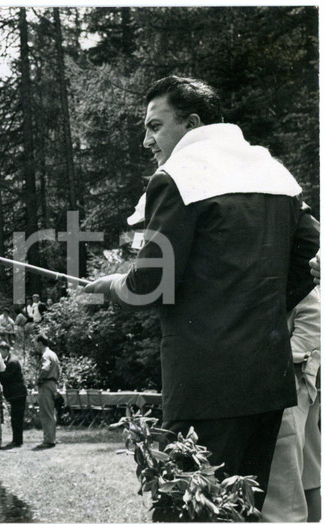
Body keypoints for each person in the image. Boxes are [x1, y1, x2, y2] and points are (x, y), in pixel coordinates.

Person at [83, 76, 319, 509]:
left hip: (206, 386)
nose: (145, 140)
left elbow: (148, 285)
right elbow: (309, 254)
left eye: (155, 126)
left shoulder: (176, 176)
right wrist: (257, 306)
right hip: (268, 382)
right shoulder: (272, 170)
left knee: (190, 508)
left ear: (192, 123)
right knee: (241, 508)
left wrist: (112, 285)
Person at [262, 287, 321, 522]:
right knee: (304, 470)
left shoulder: (305, 290)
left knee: (292, 472)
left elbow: (312, 331)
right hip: (294, 383)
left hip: (294, 385)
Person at [0, 342, 28, 448]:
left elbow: (6, 377)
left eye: (0, 351)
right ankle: (17, 439)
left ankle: (17, 440)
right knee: (15, 417)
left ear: (6, 350)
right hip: (16, 394)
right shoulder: (10, 360)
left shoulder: (12, 362)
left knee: (17, 417)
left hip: (17, 394)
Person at [33, 335, 60, 449]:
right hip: (53, 383)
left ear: (40, 343)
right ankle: (51, 437)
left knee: (46, 412)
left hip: (46, 384)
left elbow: (45, 368)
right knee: (51, 412)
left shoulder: (45, 355)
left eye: (36, 344)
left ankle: (48, 440)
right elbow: (59, 370)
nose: (35, 346)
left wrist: (39, 379)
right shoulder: (53, 354)